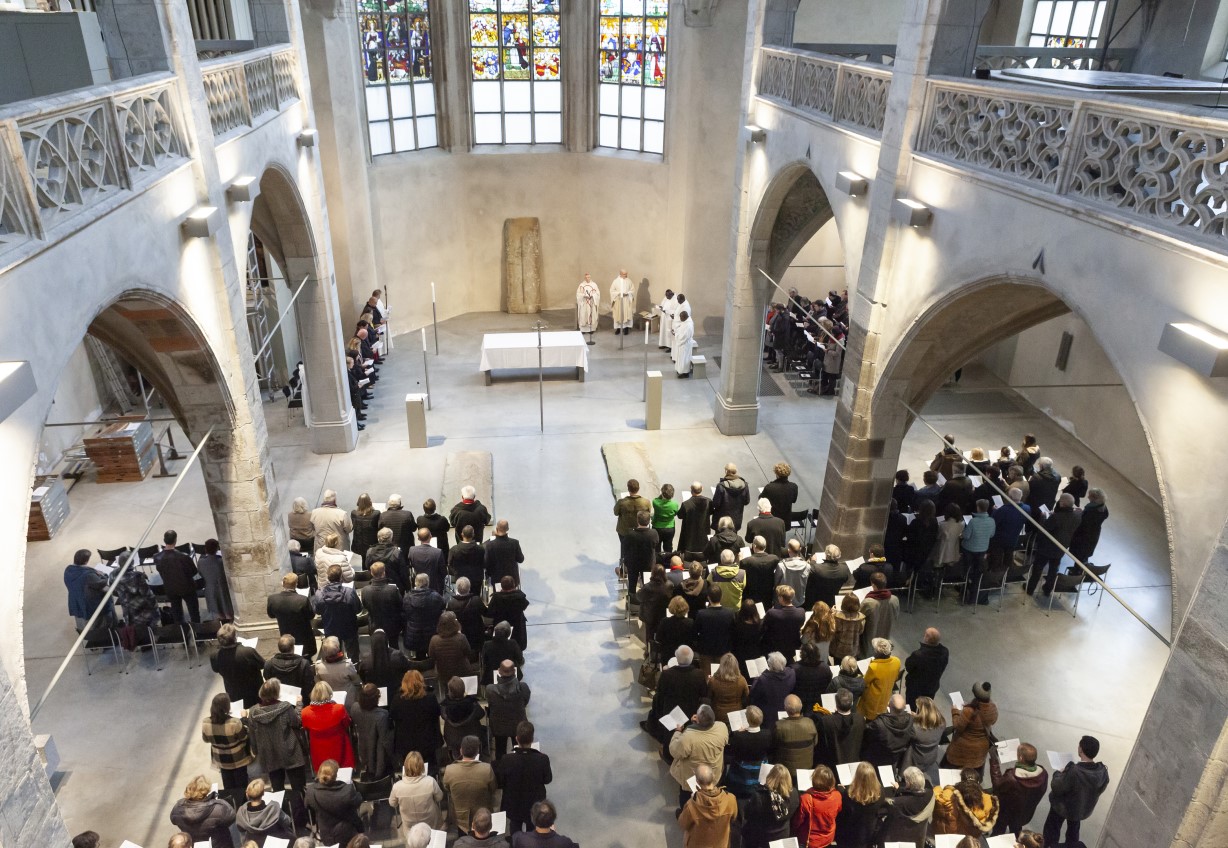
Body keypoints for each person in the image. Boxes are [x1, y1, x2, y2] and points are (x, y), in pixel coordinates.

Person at [247, 679, 309, 808]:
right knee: (298, 787)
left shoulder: (253, 712)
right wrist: (299, 704)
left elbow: (252, 734)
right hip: (289, 750)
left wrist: (256, 751)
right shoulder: (285, 707)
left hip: (269, 753)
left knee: (277, 789)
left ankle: (282, 811)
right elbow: (296, 722)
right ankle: (302, 811)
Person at [1043, 734, 1110, 848]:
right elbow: (1100, 789)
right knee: (1073, 833)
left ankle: (1049, 846)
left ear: (1081, 750)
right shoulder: (1102, 771)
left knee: (1052, 829)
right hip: (1080, 809)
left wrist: (1058, 773)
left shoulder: (1075, 771)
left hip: (1062, 807)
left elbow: (1057, 786)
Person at [668, 704, 729, 813]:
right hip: (713, 774)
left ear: (699, 720)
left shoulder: (688, 737)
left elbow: (675, 751)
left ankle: (685, 813)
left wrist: (678, 731)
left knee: (687, 798)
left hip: (693, 777)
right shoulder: (722, 727)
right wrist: (697, 724)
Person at [495, 721, 553, 834]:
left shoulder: (507, 759)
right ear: (532, 739)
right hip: (534, 803)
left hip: (513, 803)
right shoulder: (542, 759)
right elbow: (548, 780)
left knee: (515, 828)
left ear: (516, 738)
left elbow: (500, 782)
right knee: (533, 831)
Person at [644, 645, 707, 746]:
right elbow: (704, 694)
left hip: (671, 713)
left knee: (670, 741)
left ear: (677, 658)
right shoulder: (699, 674)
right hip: (691, 713)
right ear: (692, 659)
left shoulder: (667, 674)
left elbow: (660, 694)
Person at [1026, 492, 1083, 596]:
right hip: (1061, 547)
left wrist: (1043, 518)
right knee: (1053, 570)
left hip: (1046, 548)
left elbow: (1043, 531)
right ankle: (1048, 589)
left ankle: (1030, 589)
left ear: (1062, 503)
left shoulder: (1056, 517)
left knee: (1038, 568)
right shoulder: (1077, 517)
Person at [989, 741, 1049, 838]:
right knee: (1016, 831)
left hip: (1005, 814)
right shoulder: (1043, 774)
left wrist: (994, 760)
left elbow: (997, 785)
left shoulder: (1012, 778)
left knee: (998, 832)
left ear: (1021, 758)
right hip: (1024, 814)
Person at [202, 692, 254, 800]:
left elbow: (206, 739)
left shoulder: (206, 723)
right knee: (241, 785)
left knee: (228, 785)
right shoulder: (234, 723)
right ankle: (242, 803)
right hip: (238, 759)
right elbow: (244, 737)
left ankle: (231, 803)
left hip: (221, 759)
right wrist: (244, 719)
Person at [388, 669, 443, 769]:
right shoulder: (429, 697)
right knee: (430, 768)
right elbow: (437, 713)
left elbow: (392, 716)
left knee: (409, 769)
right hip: (427, 741)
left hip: (405, 743)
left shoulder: (397, 699)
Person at [444, 735, 498, 836]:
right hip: (482, 815)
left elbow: (447, 788)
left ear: (461, 750)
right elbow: (493, 789)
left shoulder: (449, 770)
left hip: (460, 817)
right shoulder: (486, 769)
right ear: (477, 751)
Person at [304, 760, 364, 847]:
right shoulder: (347, 790)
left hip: (326, 835)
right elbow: (358, 801)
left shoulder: (311, 791)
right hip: (347, 834)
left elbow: (307, 805)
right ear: (336, 775)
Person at [943, 681, 998, 776]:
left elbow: (958, 727)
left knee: (951, 773)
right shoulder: (992, 708)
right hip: (980, 750)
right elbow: (992, 721)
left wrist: (955, 712)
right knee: (970, 774)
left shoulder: (969, 711)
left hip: (962, 748)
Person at [741, 763, 801, 848]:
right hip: (783, 834)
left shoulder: (759, 797)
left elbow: (747, 814)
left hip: (763, 837)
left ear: (770, 777)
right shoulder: (794, 794)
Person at [678, 763, 737, 846]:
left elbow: (683, 824)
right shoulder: (730, 799)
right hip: (721, 844)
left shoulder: (692, 806)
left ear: (697, 781)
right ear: (713, 776)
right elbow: (734, 818)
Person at [169, 775, 236, 848]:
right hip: (218, 844)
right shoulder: (218, 808)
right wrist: (218, 801)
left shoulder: (178, 808)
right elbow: (231, 817)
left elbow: (173, 820)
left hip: (192, 843)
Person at [388, 751, 445, 837]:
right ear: (422, 766)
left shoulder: (397, 786)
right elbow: (439, 797)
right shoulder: (430, 781)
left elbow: (392, 803)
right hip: (430, 823)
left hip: (410, 826)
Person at [932, 768, 1000, 839]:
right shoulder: (987, 800)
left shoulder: (948, 794)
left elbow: (937, 797)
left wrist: (943, 788)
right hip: (968, 838)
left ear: (961, 780)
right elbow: (985, 819)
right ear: (978, 782)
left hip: (947, 834)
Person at [301, 681, 354, 771]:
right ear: (329, 693)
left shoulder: (305, 712)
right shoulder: (339, 708)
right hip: (339, 746)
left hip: (318, 750)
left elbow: (306, 729)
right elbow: (347, 723)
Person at [210, 624, 265, 708]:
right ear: (235, 637)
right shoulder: (248, 652)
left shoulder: (214, 655)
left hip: (233, 692)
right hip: (254, 691)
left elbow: (215, 669)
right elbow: (263, 664)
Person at [835, 761, 887, 847]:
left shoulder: (849, 794)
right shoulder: (880, 793)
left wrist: (840, 789)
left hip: (851, 835)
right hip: (870, 834)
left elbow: (843, 815)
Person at [349, 683, 394, 781]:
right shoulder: (382, 715)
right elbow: (385, 740)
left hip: (363, 748)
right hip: (378, 754)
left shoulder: (355, 708)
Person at [879, 766, 935, 846]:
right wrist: (900, 789)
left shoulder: (898, 803)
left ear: (909, 784)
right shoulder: (931, 794)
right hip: (918, 836)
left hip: (895, 836)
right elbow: (913, 795)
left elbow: (882, 808)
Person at [487, 660, 531, 759]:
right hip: (518, 724)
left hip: (499, 726)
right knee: (519, 750)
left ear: (499, 671)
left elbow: (491, 704)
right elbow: (525, 702)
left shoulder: (490, 689)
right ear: (514, 671)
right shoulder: (523, 687)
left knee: (500, 749)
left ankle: (501, 765)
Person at [156, 530, 201, 625]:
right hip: (187, 588)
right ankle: (196, 630)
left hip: (170, 588)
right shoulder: (183, 557)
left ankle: (181, 631)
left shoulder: (157, 557)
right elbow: (194, 571)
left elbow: (160, 571)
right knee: (194, 613)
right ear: (175, 540)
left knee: (177, 613)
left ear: (164, 540)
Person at [790, 763, 840, 848]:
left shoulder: (806, 799)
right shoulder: (837, 795)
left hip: (811, 841)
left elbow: (798, 821)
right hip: (828, 838)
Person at [268, 574, 317, 658]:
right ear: (296, 584)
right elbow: (311, 615)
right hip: (303, 636)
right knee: (305, 657)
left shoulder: (272, 599)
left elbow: (271, 615)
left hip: (285, 633)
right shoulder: (302, 600)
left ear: (283, 584)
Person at [815, 688, 865, 770]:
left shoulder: (826, 721)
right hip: (854, 764)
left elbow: (820, 745)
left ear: (836, 703)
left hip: (832, 766)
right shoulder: (860, 719)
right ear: (852, 703)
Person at [235, 778, 294, 845]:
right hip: (274, 843)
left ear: (247, 794)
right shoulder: (274, 809)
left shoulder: (241, 812)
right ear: (263, 793)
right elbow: (287, 821)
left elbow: (241, 830)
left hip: (253, 844)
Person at [64, 549, 111, 631]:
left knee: (83, 624)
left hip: (76, 601)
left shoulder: (68, 569)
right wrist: (105, 575)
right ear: (86, 561)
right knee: (108, 594)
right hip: (90, 604)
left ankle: (86, 633)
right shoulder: (88, 575)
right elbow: (101, 583)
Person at [429, 610, 475, 693]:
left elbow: (432, 656)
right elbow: (468, 653)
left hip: (443, 672)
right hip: (462, 671)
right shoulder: (461, 638)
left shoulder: (434, 640)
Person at [360, 562, 403, 650]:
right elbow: (400, 605)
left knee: (376, 649)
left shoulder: (365, 590)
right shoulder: (393, 590)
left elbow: (365, 606)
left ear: (371, 573)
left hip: (374, 625)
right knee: (394, 647)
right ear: (384, 573)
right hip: (392, 625)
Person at [902, 696, 945, 785]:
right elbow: (927, 726)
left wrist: (912, 718)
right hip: (930, 757)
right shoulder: (942, 723)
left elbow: (905, 737)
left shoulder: (915, 729)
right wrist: (917, 717)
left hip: (915, 759)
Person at [402, 572, 446, 659]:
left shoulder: (407, 597)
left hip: (413, 634)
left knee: (419, 657)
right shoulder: (435, 596)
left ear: (415, 583)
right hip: (431, 633)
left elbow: (405, 613)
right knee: (432, 656)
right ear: (428, 582)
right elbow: (443, 605)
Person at [903, 627, 948, 709]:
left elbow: (908, 666)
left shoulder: (918, 655)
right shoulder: (945, 652)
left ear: (927, 638)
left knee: (912, 707)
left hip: (915, 689)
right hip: (932, 687)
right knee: (926, 708)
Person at [774, 694, 818, 777]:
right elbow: (815, 743)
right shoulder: (810, 723)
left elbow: (775, 746)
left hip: (786, 771)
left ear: (785, 708)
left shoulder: (779, 726)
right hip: (807, 768)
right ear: (801, 706)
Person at [749, 652, 795, 730]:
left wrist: (757, 678)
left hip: (768, 716)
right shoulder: (791, 674)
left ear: (770, 666)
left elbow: (753, 694)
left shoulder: (763, 679)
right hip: (785, 710)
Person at [858, 638, 900, 720]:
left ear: (877, 653)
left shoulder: (874, 667)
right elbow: (895, 677)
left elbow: (865, 682)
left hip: (873, 699)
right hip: (886, 695)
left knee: (870, 719)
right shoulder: (897, 661)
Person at [859, 572, 899, 655]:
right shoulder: (894, 600)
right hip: (886, 634)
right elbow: (896, 616)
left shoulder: (868, 602)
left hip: (870, 637)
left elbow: (859, 619)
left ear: (873, 585)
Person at [762, 584, 805, 659]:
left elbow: (764, 626)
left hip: (775, 648)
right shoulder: (801, 612)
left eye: (778, 596)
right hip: (793, 648)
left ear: (781, 598)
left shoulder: (772, 613)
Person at [512, 799, 579, 847]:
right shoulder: (564, 842)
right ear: (553, 818)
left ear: (533, 819)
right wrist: (554, 834)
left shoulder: (520, 839)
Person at [487, 575, 530, 649]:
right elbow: (525, 605)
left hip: (500, 626)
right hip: (517, 627)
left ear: (501, 586)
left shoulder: (496, 598)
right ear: (514, 585)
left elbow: (490, 613)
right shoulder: (519, 597)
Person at [1069, 487, 1109, 564]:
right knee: (1083, 555)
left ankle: (1078, 569)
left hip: (1083, 536)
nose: (1088, 497)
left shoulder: (1091, 510)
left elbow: (1084, 523)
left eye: (1089, 495)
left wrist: (1081, 514)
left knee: (1079, 555)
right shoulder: (1103, 508)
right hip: (1093, 535)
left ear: (1094, 498)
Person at [197, 539, 233, 622]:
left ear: (206, 549)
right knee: (227, 610)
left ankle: (221, 624)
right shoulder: (221, 561)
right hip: (223, 588)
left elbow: (200, 574)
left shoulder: (201, 562)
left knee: (217, 612)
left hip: (210, 589)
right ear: (217, 548)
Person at [485, 519, 525, 588]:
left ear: (497, 528)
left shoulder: (490, 545)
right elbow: (520, 559)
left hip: (497, 579)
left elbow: (486, 563)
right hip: (512, 579)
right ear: (508, 529)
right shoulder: (514, 543)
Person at [741, 536, 781, 606]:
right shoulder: (774, 559)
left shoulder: (746, 561)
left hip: (751, 593)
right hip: (768, 593)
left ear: (754, 546)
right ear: (765, 546)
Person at [711, 463, 751, 531]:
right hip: (736, 520)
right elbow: (746, 501)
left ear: (726, 471)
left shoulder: (721, 486)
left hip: (722, 520)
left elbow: (716, 504)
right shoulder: (744, 485)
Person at [365, 527, 406, 592]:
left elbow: (368, 567)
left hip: (375, 585)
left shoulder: (370, 551)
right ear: (391, 538)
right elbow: (403, 572)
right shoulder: (396, 552)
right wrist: (407, 588)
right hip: (395, 585)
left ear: (378, 538)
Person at [407, 527, 446, 593]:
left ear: (418, 538)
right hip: (435, 586)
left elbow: (410, 565)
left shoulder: (412, 550)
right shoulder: (438, 552)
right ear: (430, 536)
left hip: (418, 585)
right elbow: (443, 572)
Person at [677, 483, 712, 556]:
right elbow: (711, 511)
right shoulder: (708, 502)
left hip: (689, 536)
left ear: (691, 490)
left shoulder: (686, 504)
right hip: (703, 534)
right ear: (702, 489)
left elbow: (680, 515)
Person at [829, 593, 865, 663]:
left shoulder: (837, 618)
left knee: (838, 666)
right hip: (853, 650)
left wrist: (832, 613)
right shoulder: (861, 618)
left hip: (839, 650)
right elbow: (861, 631)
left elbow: (833, 630)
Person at [449, 525, 487, 590]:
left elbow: (450, 565)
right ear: (473, 535)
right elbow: (484, 564)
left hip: (460, 579)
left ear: (462, 534)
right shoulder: (480, 549)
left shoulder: (454, 550)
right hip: (476, 580)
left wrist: (456, 574)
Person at [650, 484, 680, 553]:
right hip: (670, 528)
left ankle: (658, 559)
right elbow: (675, 513)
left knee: (657, 547)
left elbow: (657, 498)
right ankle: (668, 559)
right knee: (668, 547)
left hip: (657, 527)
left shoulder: (655, 502)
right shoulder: (674, 504)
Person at [576, 273, 600, 343]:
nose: (587, 279)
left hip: (591, 302)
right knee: (583, 315)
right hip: (584, 303)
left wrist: (593, 296)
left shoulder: (594, 285)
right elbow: (578, 294)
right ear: (584, 278)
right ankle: (583, 329)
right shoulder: (581, 285)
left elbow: (597, 293)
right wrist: (584, 296)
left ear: (590, 277)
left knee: (591, 315)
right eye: (586, 277)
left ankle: (591, 329)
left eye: (589, 277)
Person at [609, 268, 634, 334]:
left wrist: (628, 293)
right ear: (620, 274)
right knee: (618, 315)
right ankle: (618, 329)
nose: (626, 275)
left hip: (626, 300)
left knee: (626, 314)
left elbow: (632, 290)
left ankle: (626, 328)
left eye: (626, 274)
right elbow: (612, 291)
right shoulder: (615, 281)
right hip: (619, 300)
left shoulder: (629, 281)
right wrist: (619, 293)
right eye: (624, 274)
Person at [673, 309, 695, 377]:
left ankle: (685, 373)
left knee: (684, 358)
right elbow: (681, 330)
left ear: (685, 317)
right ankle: (680, 370)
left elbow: (685, 336)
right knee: (681, 358)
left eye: (681, 317)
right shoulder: (685, 321)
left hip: (685, 344)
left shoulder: (688, 325)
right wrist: (676, 332)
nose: (680, 318)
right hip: (683, 343)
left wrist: (676, 335)